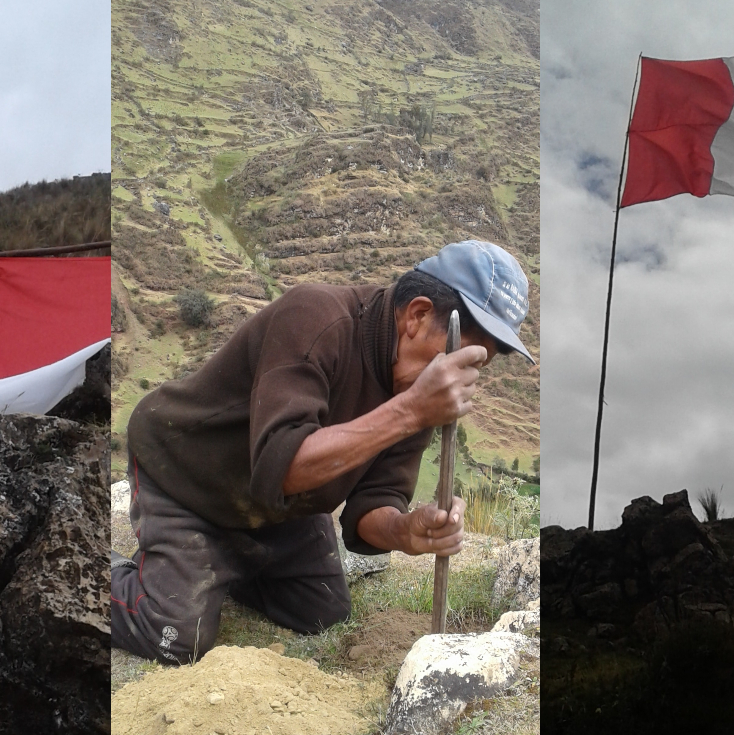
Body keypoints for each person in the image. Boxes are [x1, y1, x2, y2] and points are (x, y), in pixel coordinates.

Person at [111, 239, 535, 664]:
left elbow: (374, 503)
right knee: (177, 636)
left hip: (270, 511)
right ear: (418, 315)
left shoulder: (416, 391)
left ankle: (219, 564)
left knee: (322, 611)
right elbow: (282, 465)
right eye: (459, 355)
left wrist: (405, 531)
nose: (459, 376)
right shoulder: (315, 317)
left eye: (477, 365)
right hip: (185, 474)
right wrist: (409, 410)